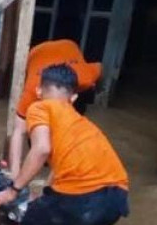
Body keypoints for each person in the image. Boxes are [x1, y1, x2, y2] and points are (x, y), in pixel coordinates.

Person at [0, 64, 129, 225]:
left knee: (32, 223)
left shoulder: (40, 107)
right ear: (72, 98)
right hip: (116, 199)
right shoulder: (79, 122)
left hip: (81, 197)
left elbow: (42, 149)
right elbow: (65, 164)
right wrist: (47, 194)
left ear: (38, 91)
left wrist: (12, 190)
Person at [8, 39, 102, 180]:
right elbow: (18, 132)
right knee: (34, 125)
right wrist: (15, 174)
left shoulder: (86, 79)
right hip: (37, 52)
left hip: (69, 46)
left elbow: (100, 67)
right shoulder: (32, 92)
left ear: (72, 98)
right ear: (40, 93)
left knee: (68, 128)